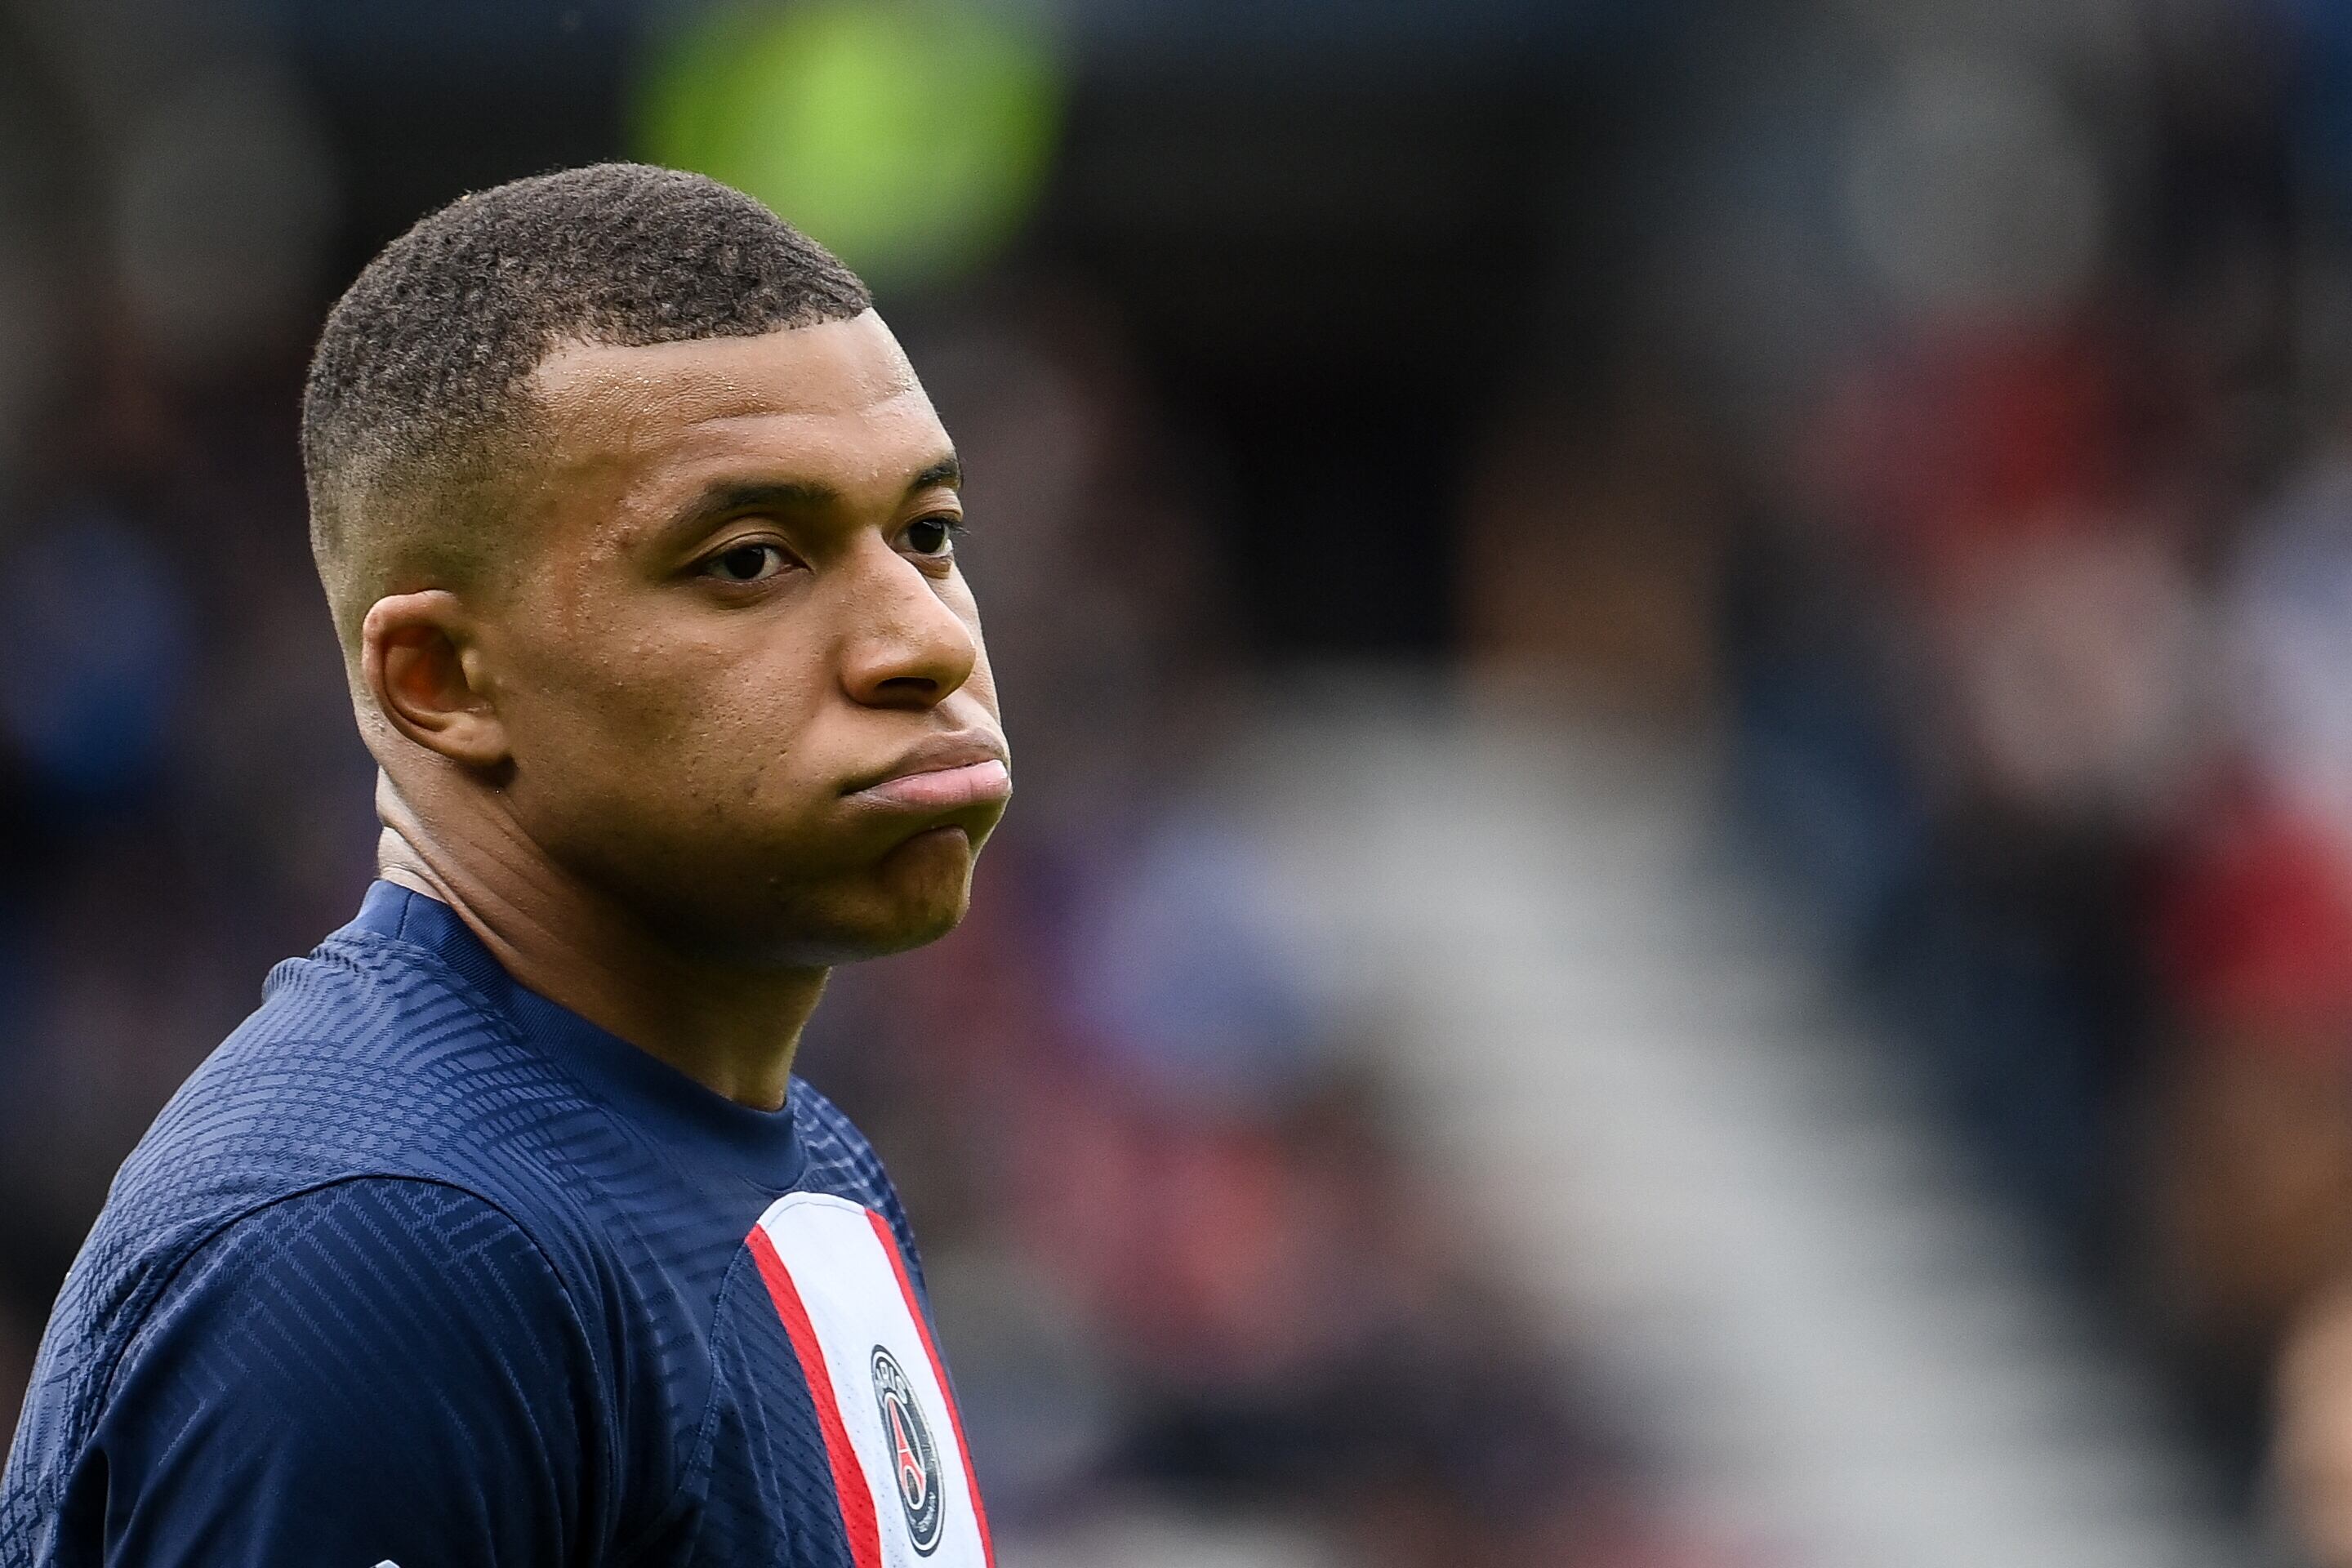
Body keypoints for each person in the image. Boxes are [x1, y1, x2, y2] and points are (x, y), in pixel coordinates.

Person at [0, 163, 1010, 1568]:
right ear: (439, 682)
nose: (927, 640)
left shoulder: (806, 1163)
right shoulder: (388, 1249)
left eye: (927, 535)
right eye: (750, 559)